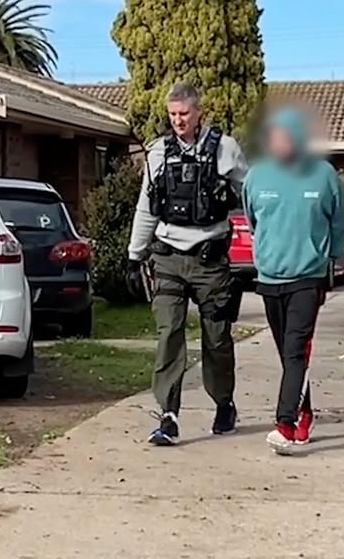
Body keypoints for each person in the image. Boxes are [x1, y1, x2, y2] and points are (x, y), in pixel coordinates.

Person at [125, 82, 248, 446]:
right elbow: (146, 207)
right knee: (169, 334)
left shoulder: (225, 149)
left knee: (217, 338)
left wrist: (266, 241)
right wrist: (134, 256)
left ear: (198, 112)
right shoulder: (158, 153)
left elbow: (251, 195)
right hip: (168, 258)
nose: (178, 121)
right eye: (173, 114)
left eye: (184, 114)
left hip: (210, 260)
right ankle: (168, 414)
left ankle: (223, 402)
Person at [242, 107, 344, 455]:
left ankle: (284, 424)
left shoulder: (323, 175)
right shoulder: (257, 176)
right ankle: (305, 412)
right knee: (289, 355)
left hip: (308, 276)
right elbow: (253, 221)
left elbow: (337, 222)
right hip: (270, 277)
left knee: (295, 349)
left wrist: (335, 258)